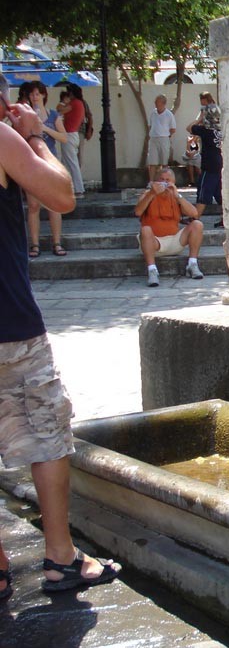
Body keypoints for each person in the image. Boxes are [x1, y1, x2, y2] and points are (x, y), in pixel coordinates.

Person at [0, 73, 121, 599]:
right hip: (9, 323)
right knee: (46, 429)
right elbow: (63, 195)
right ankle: (61, 556)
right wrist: (34, 137)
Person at [135, 167, 204, 287]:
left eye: (168, 180)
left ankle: (192, 264)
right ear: (155, 182)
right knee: (145, 229)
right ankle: (152, 270)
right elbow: (138, 212)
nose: (164, 183)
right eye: (161, 180)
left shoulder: (176, 197)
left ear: (173, 182)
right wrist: (152, 193)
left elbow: (194, 214)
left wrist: (178, 197)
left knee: (197, 225)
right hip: (154, 243)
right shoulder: (147, 194)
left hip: (175, 241)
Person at [23, 82, 69, 257]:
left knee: (54, 206)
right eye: (32, 94)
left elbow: (64, 137)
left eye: (37, 94)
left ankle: (57, 242)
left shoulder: (53, 115)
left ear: (43, 95)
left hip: (50, 164)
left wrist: (45, 128)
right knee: (33, 206)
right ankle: (34, 244)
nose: (34, 97)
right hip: (32, 164)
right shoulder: (25, 115)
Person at [186, 95, 223, 227]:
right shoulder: (220, 130)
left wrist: (199, 119)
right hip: (219, 164)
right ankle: (226, 218)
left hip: (209, 165)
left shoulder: (206, 131)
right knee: (219, 193)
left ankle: (194, 217)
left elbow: (189, 128)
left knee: (204, 191)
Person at [57, 83, 86, 196]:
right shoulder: (80, 103)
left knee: (72, 163)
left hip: (69, 135)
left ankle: (79, 189)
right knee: (66, 162)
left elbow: (59, 109)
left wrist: (63, 101)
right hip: (73, 135)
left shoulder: (74, 103)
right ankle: (68, 187)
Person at [147, 95, 176, 183]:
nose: (155, 104)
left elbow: (173, 129)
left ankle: (166, 182)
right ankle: (151, 182)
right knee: (152, 162)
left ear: (163, 104)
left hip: (164, 139)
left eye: (157, 102)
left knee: (164, 162)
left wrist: (166, 135)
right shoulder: (153, 113)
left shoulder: (169, 114)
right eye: (155, 102)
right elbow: (150, 125)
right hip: (153, 139)